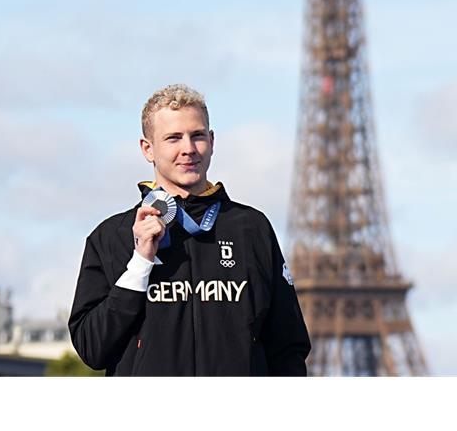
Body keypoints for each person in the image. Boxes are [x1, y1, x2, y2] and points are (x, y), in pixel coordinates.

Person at [68, 84, 310, 375]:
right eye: (173, 138)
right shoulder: (110, 237)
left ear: (212, 140)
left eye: (197, 136)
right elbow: (92, 348)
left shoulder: (252, 229)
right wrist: (139, 265)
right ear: (148, 149)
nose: (188, 149)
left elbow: (288, 347)